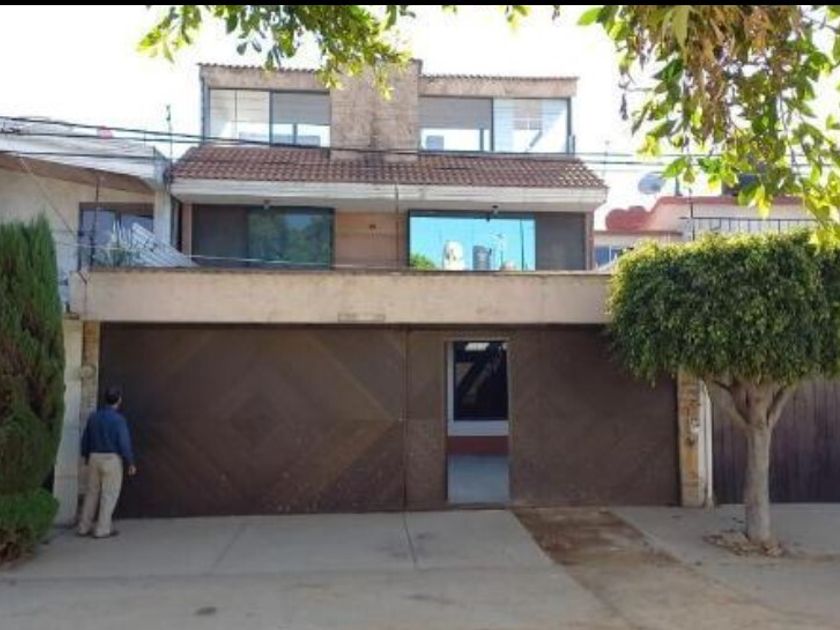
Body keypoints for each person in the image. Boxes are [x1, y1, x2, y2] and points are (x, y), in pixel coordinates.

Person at [77, 386, 137, 538]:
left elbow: (85, 439)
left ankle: (83, 527)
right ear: (119, 400)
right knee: (108, 495)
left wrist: (85, 456)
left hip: (94, 458)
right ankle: (102, 529)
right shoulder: (119, 420)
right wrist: (130, 461)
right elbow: (124, 442)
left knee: (91, 493)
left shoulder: (93, 417)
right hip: (112, 460)